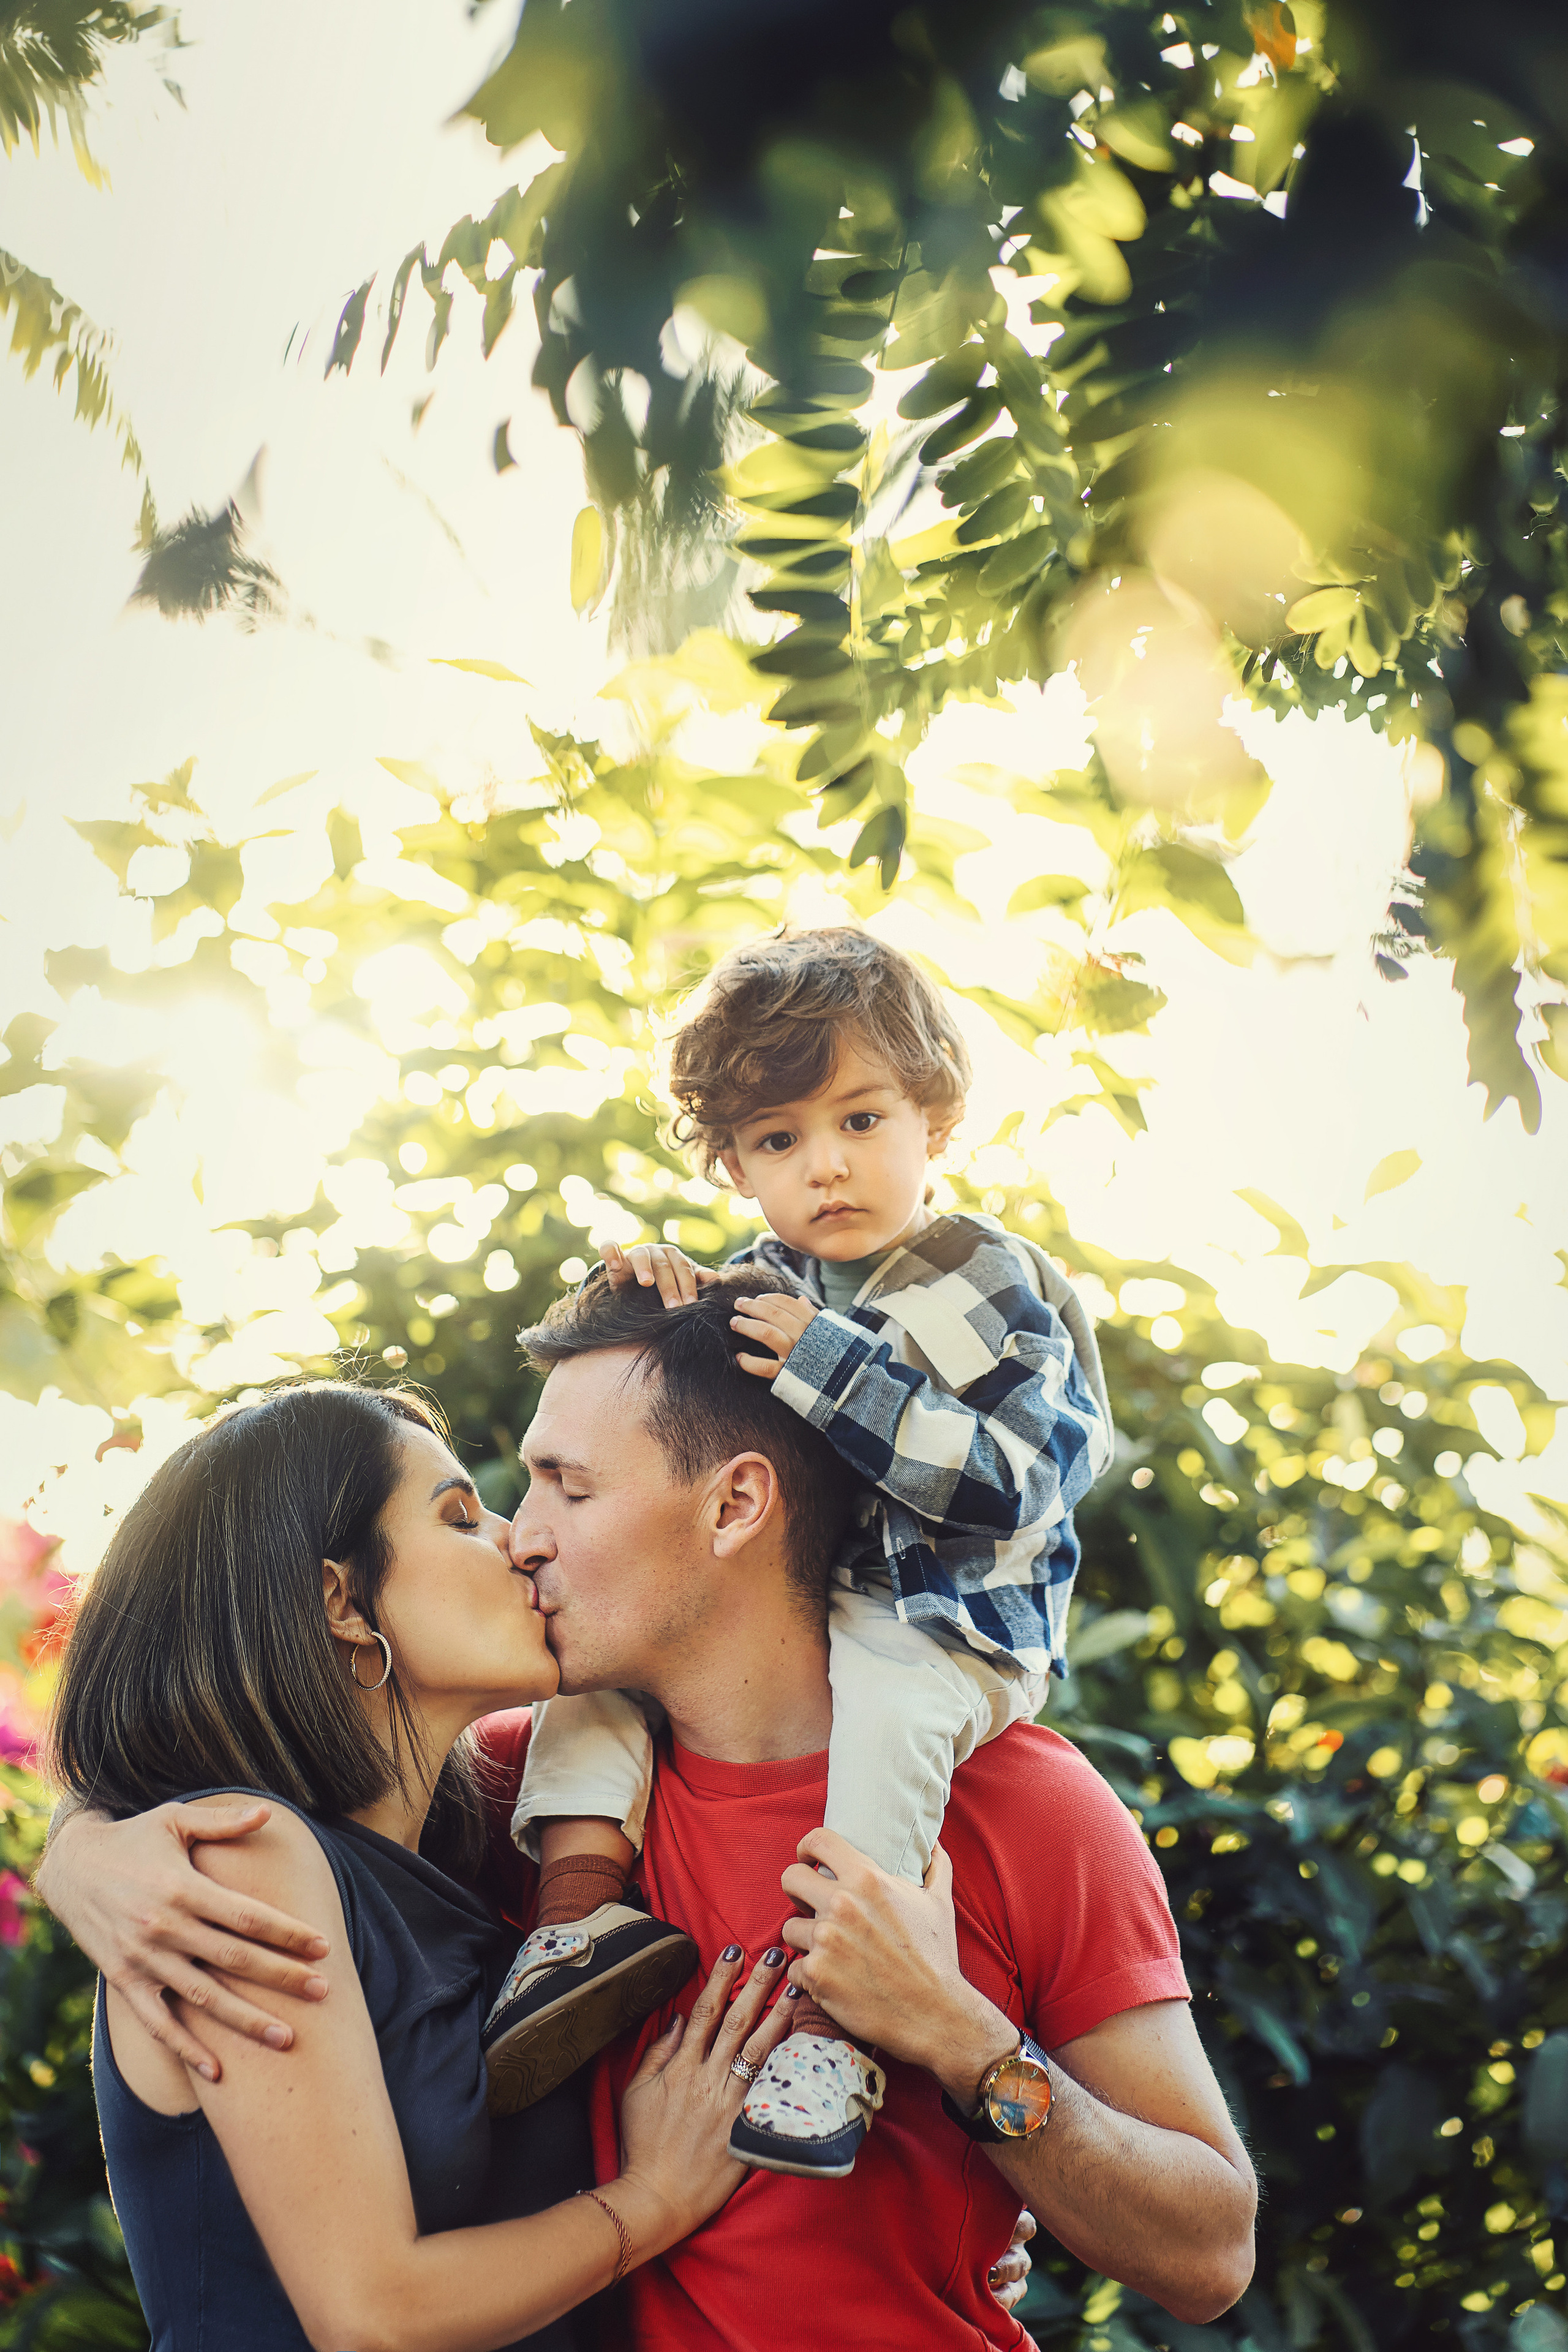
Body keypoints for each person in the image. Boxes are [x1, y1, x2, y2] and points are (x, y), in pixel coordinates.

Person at [41, 1281, 1256, 2352]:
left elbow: (1208, 2256)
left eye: (566, 1488)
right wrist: (90, 1849)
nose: (522, 1538)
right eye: (488, 1503)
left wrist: (964, 2044)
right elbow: (273, 1805)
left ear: (733, 1507)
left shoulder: (1020, 1805)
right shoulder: (518, 1800)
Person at [508, 926, 1114, 2177]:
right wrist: (664, 1287)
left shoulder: (981, 1282)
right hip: (816, 1615)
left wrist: (838, 1371)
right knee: (601, 1668)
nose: (825, 1165)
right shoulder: (773, 1278)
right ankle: (575, 1923)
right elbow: (695, 1408)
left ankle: (838, 2031)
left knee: (887, 1718)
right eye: (778, 1141)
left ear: (934, 1117)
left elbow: (1017, 1485)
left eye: (860, 1120)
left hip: (945, 1623)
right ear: (734, 1164)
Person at [40, 1379, 796, 2352]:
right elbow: (369, 2313)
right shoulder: (238, 1860)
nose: (521, 1542)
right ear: (343, 1601)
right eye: (460, 1517)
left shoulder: (485, 1848)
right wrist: (652, 2201)